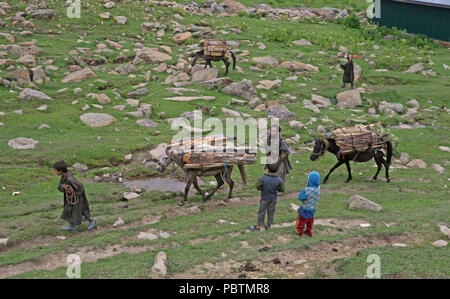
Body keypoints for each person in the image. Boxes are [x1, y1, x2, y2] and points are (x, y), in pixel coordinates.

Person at [53, 160, 96, 231]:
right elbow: (60, 186)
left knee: (81, 212)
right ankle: (73, 226)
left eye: (55, 170)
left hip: (77, 199)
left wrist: (77, 197)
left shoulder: (70, 179)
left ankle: (92, 220)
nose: (54, 172)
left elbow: (80, 187)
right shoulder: (64, 176)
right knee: (69, 211)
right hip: (70, 199)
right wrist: (64, 187)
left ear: (60, 170)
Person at [250, 163, 284, 231]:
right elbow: (281, 189)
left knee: (261, 211)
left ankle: (258, 227)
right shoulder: (279, 179)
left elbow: (258, 187)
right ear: (277, 170)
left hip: (264, 198)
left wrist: (261, 188)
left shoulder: (262, 178)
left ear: (267, 169)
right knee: (271, 212)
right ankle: (268, 225)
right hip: (273, 198)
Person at [296, 171, 320, 237]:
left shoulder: (307, 190)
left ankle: (299, 231)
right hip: (312, 209)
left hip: (304, 209)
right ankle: (308, 231)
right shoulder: (318, 189)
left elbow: (300, 197)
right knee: (310, 221)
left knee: (301, 221)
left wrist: (305, 189)